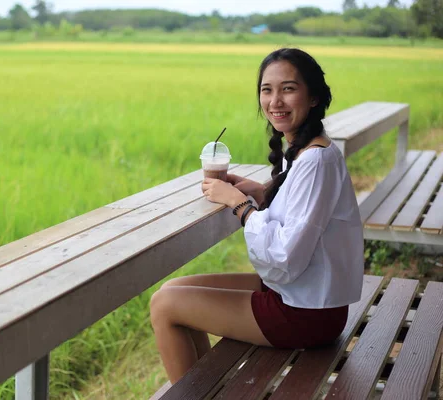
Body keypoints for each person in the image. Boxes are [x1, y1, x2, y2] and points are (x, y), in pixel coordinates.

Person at [149, 48, 364, 385]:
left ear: (314, 97)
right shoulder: (310, 151)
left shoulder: (315, 161)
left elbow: (286, 253)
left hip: (305, 311)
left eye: (288, 88)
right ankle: (210, 392)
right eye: (267, 90)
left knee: (165, 306)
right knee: (173, 289)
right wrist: (263, 194)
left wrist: (240, 205)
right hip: (303, 293)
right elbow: (304, 217)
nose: (275, 100)